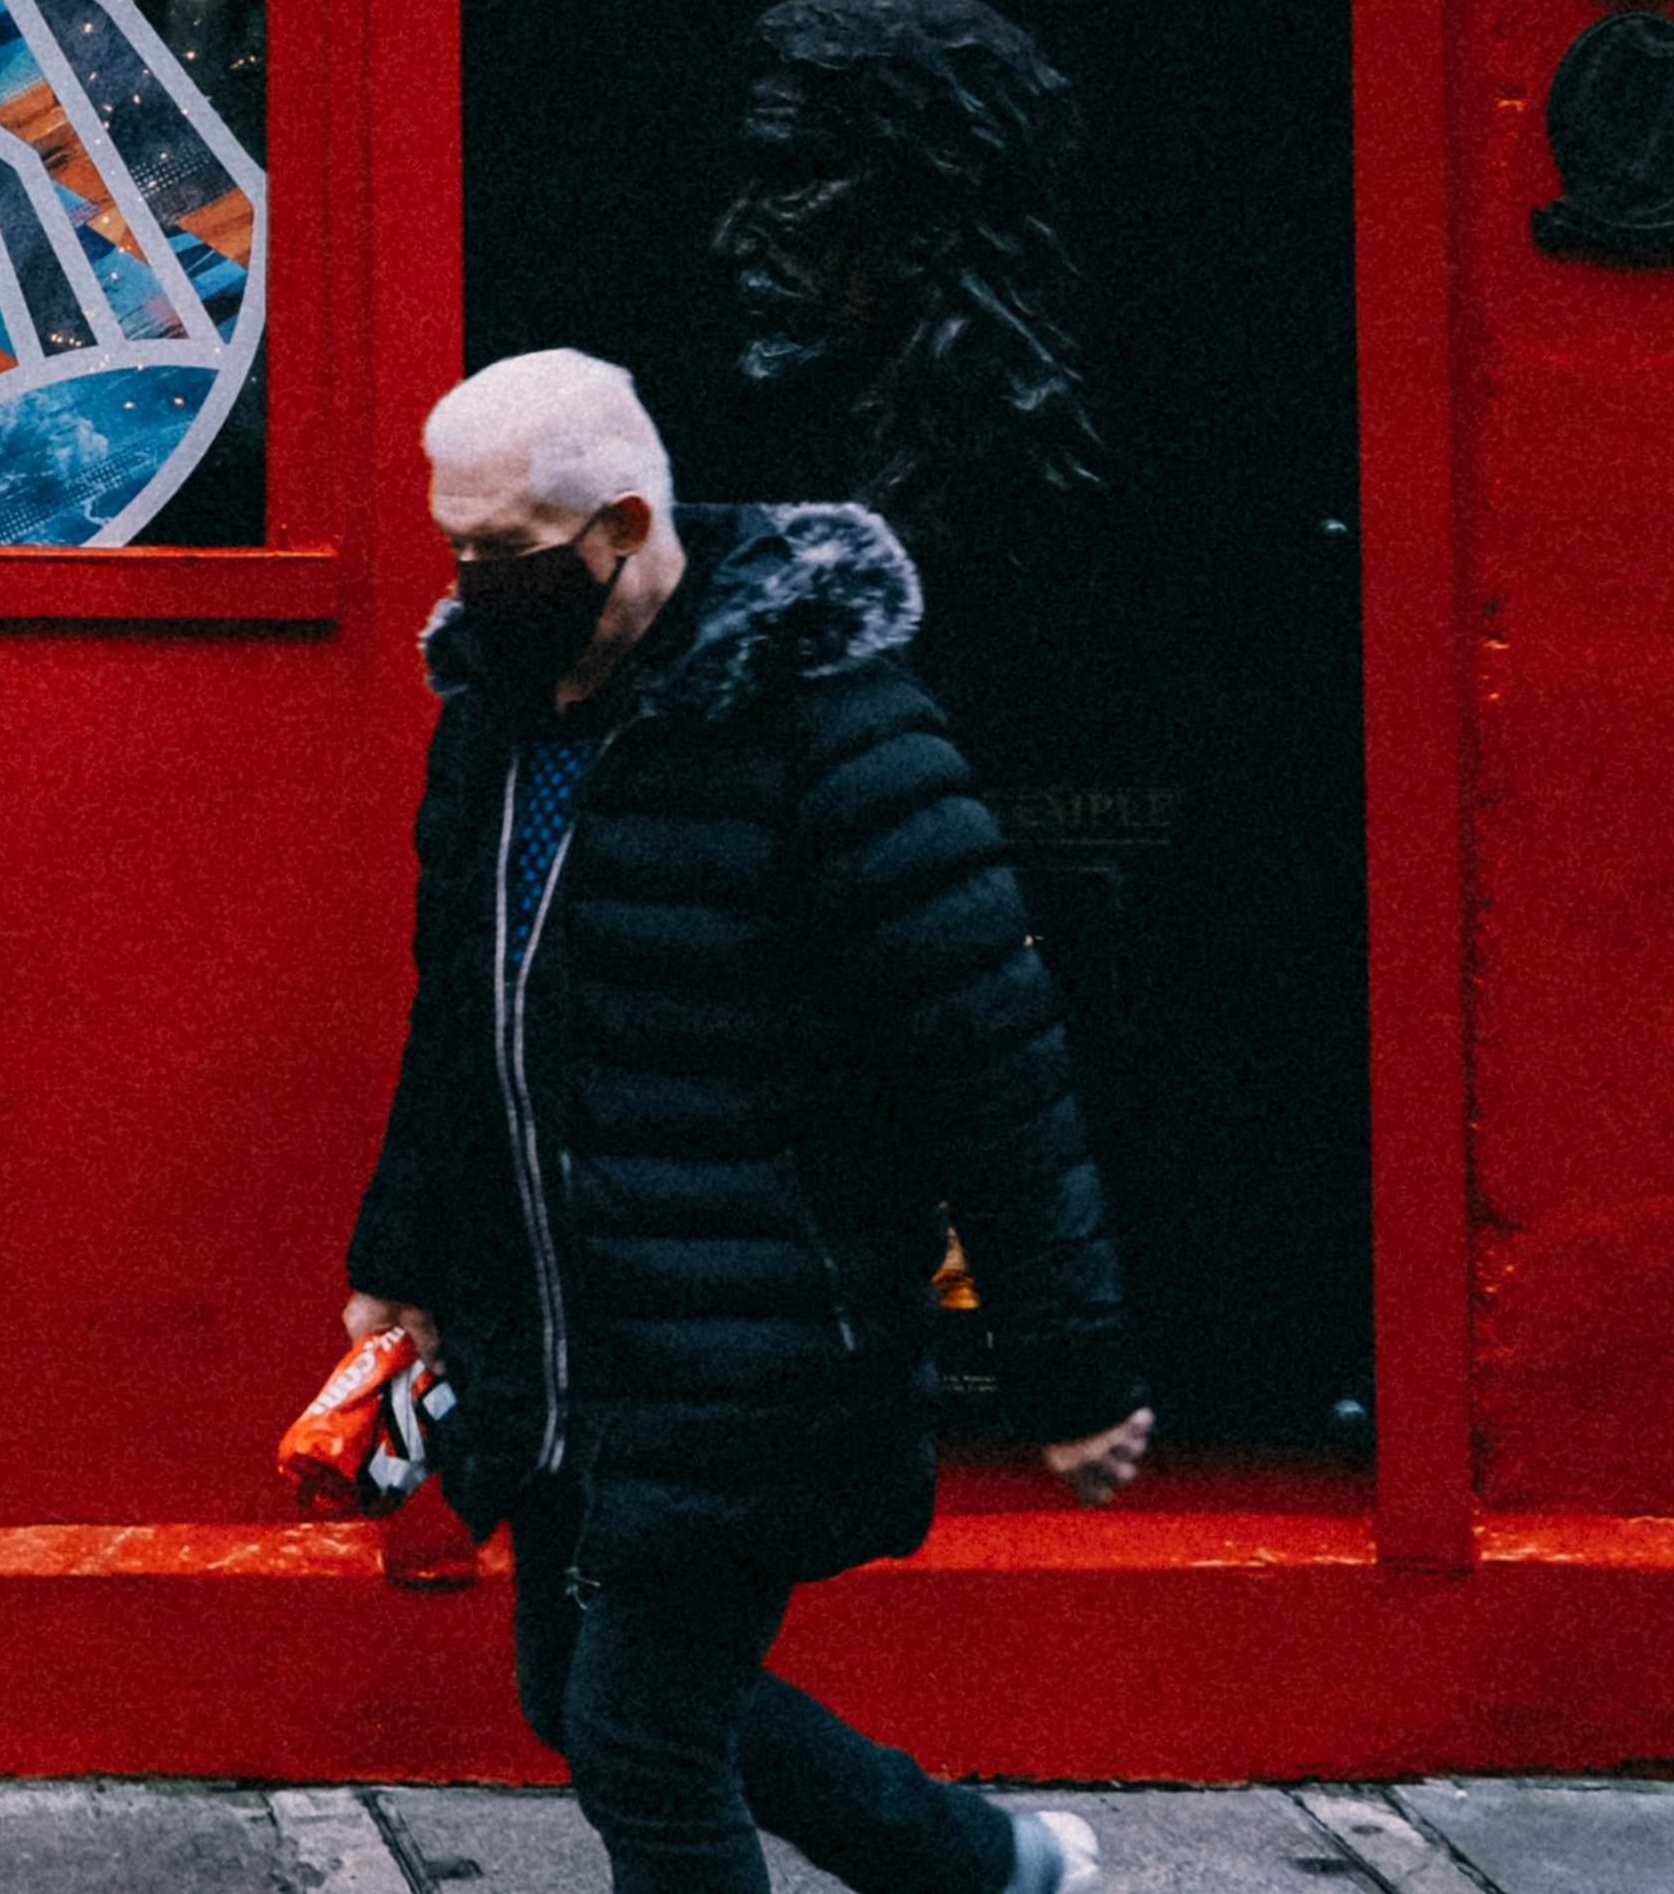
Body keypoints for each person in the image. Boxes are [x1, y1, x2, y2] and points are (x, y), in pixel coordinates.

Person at [348, 349, 1148, 1894]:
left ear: (624, 526)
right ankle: (978, 1867)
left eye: (501, 557)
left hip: (759, 1346)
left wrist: (1074, 1365)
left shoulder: (841, 741)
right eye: (453, 547)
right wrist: (404, 1258)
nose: (467, 586)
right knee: (573, 1698)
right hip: (564, 1336)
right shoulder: (496, 723)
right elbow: (457, 1018)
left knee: (642, 1743)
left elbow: (995, 1070)